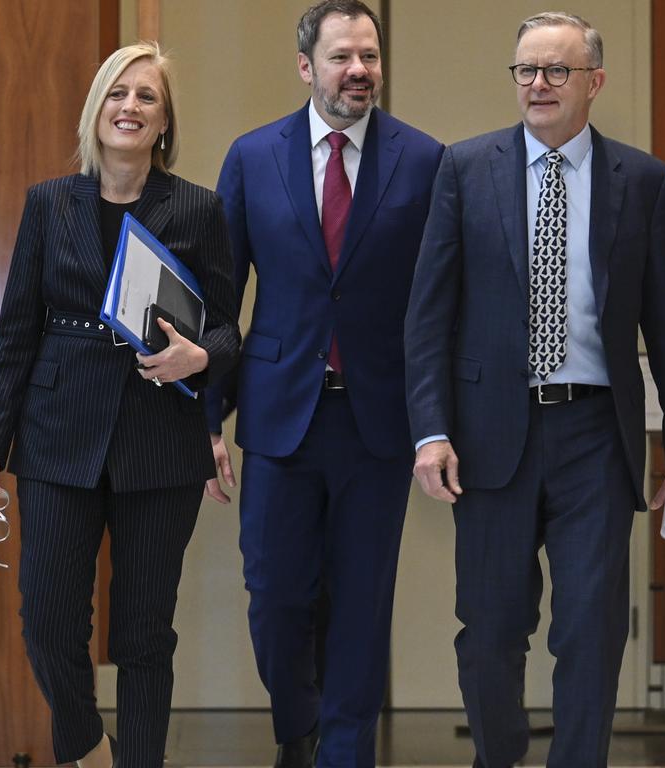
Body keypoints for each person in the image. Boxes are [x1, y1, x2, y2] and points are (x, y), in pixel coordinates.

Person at [405, 12, 665, 768]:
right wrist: (430, 429)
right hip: (488, 436)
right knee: (490, 626)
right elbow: (427, 316)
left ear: (594, 82)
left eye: (555, 71)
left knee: (591, 627)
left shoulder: (642, 182)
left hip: (593, 437)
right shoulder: (464, 168)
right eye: (525, 71)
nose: (537, 85)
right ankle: (499, 757)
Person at [0, 42, 240, 768]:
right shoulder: (50, 204)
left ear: (164, 121)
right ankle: (87, 748)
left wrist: (201, 356)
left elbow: (228, 328)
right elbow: (16, 326)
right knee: (49, 621)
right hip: (57, 436)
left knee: (144, 634)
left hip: (160, 438)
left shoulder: (199, 209)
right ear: (96, 111)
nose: (130, 107)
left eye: (147, 97)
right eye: (118, 93)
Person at [205, 2, 444, 765]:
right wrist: (209, 420)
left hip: (377, 421)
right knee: (276, 599)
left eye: (369, 56)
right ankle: (298, 726)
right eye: (342, 56)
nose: (359, 71)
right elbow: (221, 297)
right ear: (306, 66)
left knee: (362, 611)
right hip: (278, 418)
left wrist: (437, 419)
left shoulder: (424, 159)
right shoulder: (251, 157)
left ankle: (346, 753)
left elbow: (436, 300)